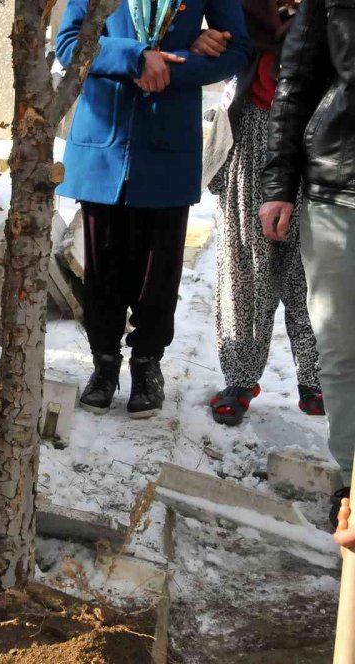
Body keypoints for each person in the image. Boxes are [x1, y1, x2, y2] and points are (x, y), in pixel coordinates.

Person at [56, 0, 249, 418]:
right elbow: (69, 44)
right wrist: (136, 57)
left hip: (168, 143)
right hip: (104, 143)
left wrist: (172, 67)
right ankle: (104, 364)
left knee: (158, 272)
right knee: (102, 268)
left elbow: (237, 50)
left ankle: (147, 365)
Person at [199, 0, 323, 426]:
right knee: (245, 264)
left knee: (312, 264)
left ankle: (318, 378)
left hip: (320, 130)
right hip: (252, 124)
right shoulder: (243, 8)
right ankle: (240, 378)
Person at [260, 0, 355, 526]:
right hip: (340, 188)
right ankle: (351, 481)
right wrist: (279, 183)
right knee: (341, 349)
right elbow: (295, 80)